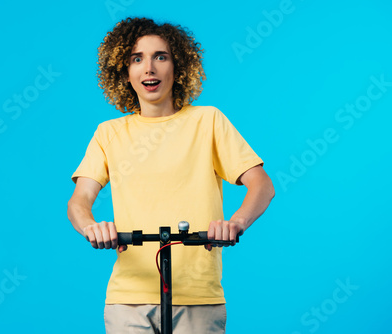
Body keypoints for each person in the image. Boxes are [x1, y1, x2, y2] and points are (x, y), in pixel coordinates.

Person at [67, 17, 275, 333]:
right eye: (137, 59)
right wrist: (92, 227)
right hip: (129, 299)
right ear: (125, 73)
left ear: (177, 68)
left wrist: (235, 223)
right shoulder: (108, 133)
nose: (149, 68)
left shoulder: (208, 121)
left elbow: (262, 184)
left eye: (160, 57)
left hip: (198, 296)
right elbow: (79, 200)